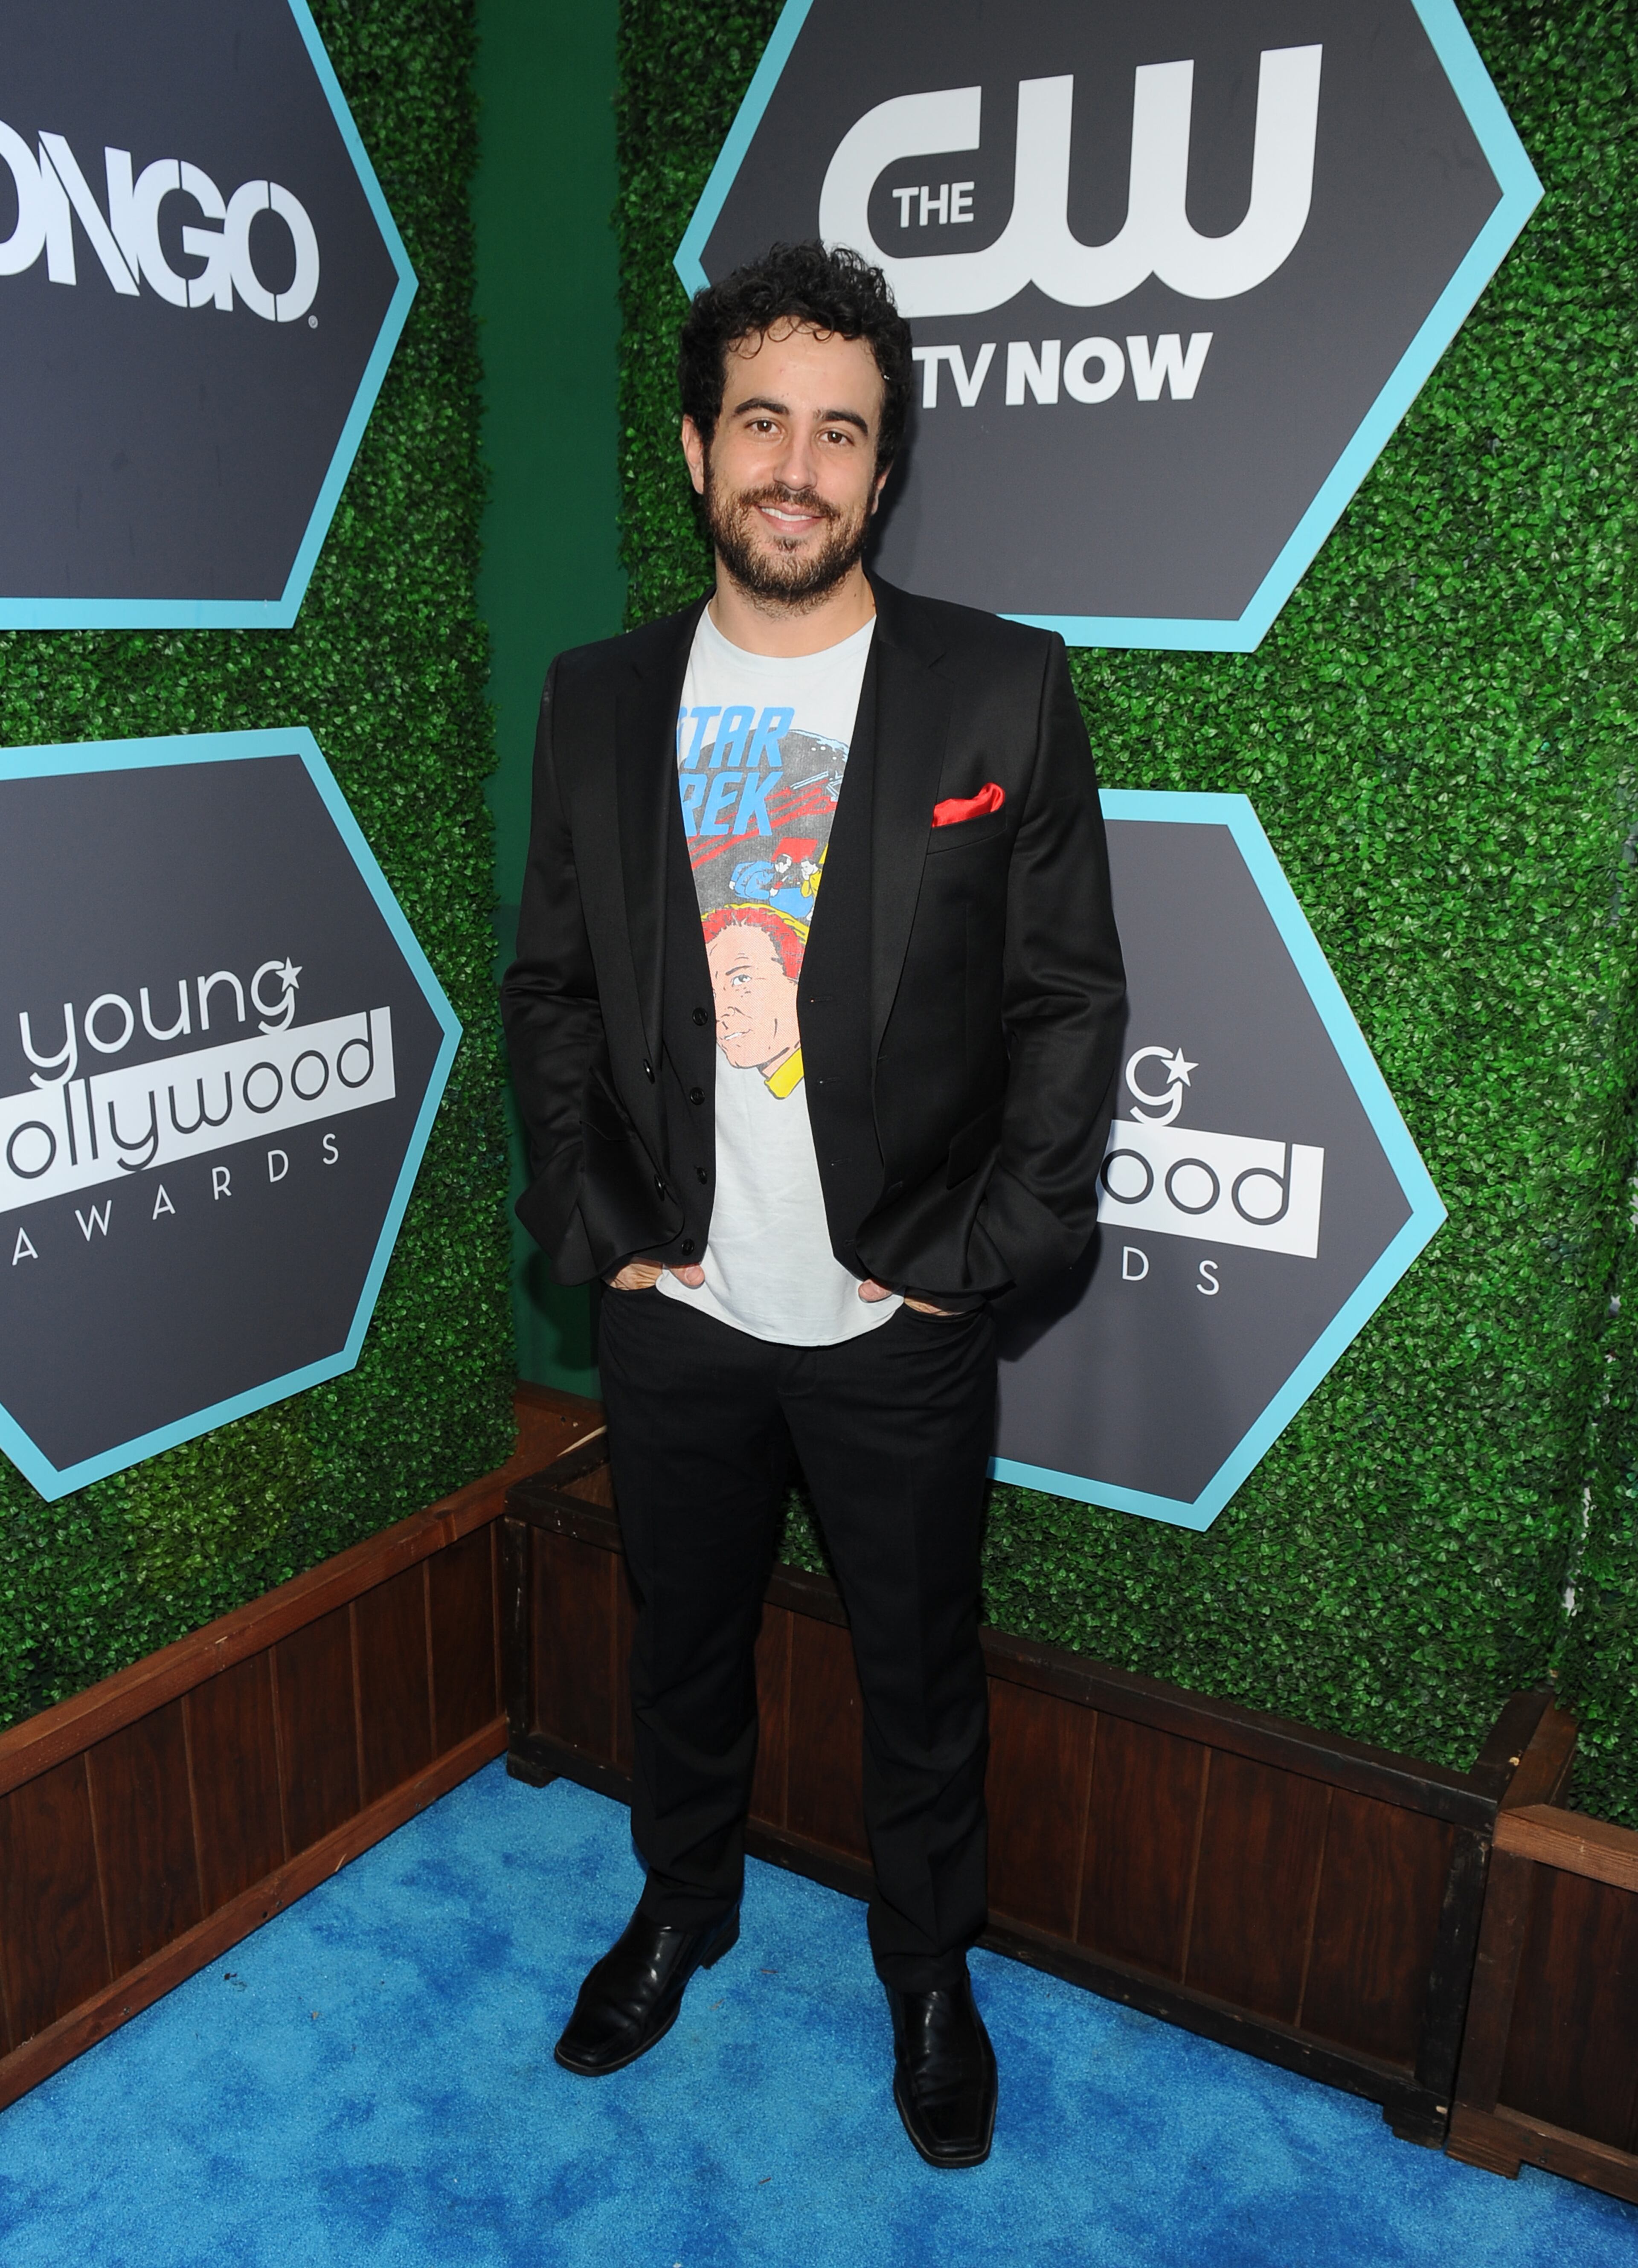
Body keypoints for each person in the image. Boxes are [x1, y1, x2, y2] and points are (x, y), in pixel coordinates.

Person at [501, 240, 1126, 2169]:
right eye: (761, 420)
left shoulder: (997, 693)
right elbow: (550, 991)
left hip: (897, 1321)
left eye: (839, 432)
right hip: (673, 1313)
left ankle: (928, 1973)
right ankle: (684, 1903)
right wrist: (597, 1222)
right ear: (698, 451)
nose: (798, 464)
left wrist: (988, 1267)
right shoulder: (598, 698)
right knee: (677, 1642)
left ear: (883, 468)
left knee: (918, 1675)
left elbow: (1065, 1003)